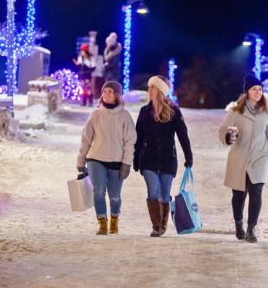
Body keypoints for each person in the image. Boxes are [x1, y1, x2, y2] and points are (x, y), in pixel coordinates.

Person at [218, 74, 268, 243]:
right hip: (239, 158)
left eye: (260, 89)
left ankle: (251, 228)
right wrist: (227, 137)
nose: (258, 92)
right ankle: (239, 223)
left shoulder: (266, 112)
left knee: (256, 192)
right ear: (247, 92)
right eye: (254, 89)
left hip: (260, 157)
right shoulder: (235, 111)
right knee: (239, 194)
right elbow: (223, 130)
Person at [133, 75, 193, 237]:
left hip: (168, 160)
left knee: (164, 195)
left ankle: (163, 224)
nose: (149, 90)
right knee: (153, 191)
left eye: (152, 87)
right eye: (149, 87)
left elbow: (183, 135)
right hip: (148, 160)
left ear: (160, 90)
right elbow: (138, 137)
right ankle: (156, 226)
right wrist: (135, 159)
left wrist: (189, 157)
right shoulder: (144, 112)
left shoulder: (173, 111)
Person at [76, 81, 136, 235]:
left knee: (115, 196)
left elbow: (130, 142)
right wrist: (81, 161)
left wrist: (127, 164)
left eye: (111, 91)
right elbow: (86, 139)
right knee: (99, 191)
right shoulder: (95, 115)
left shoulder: (125, 116)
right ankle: (102, 223)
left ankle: (114, 220)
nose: (107, 94)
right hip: (96, 159)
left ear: (117, 95)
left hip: (117, 161)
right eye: (105, 91)